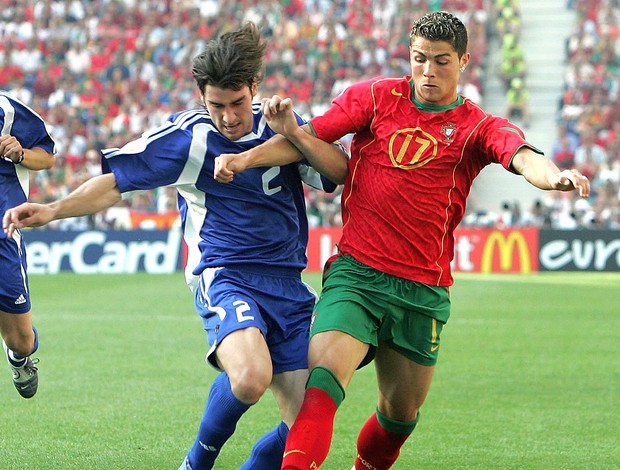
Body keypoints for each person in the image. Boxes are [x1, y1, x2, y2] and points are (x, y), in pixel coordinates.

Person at [213, 11, 591, 469]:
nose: (428, 71)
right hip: (356, 274)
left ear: (465, 61)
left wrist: (555, 179)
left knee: (399, 417)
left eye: (441, 61)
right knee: (322, 384)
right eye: (419, 59)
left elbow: (521, 155)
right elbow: (307, 139)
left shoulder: (476, 125)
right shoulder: (374, 97)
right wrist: (245, 159)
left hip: (422, 289)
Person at [3, 23, 348, 469]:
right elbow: (114, 185)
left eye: (238, 103)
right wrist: (52, 209)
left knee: (304, 421)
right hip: (225, 275)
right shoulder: (188, 137)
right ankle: (195, 463)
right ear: (201, 97)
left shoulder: (283, 124)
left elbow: (336, 175)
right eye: (216, 105)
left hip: (287, 281)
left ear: (255, 88)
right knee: (249, 378)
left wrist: (299, 135)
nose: (227, 116)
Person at [0, 90, 56, 399]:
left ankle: (18, 357)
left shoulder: (7, 109)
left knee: (20, 340)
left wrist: (19, 154)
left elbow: (47, 156)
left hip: (3, 234)